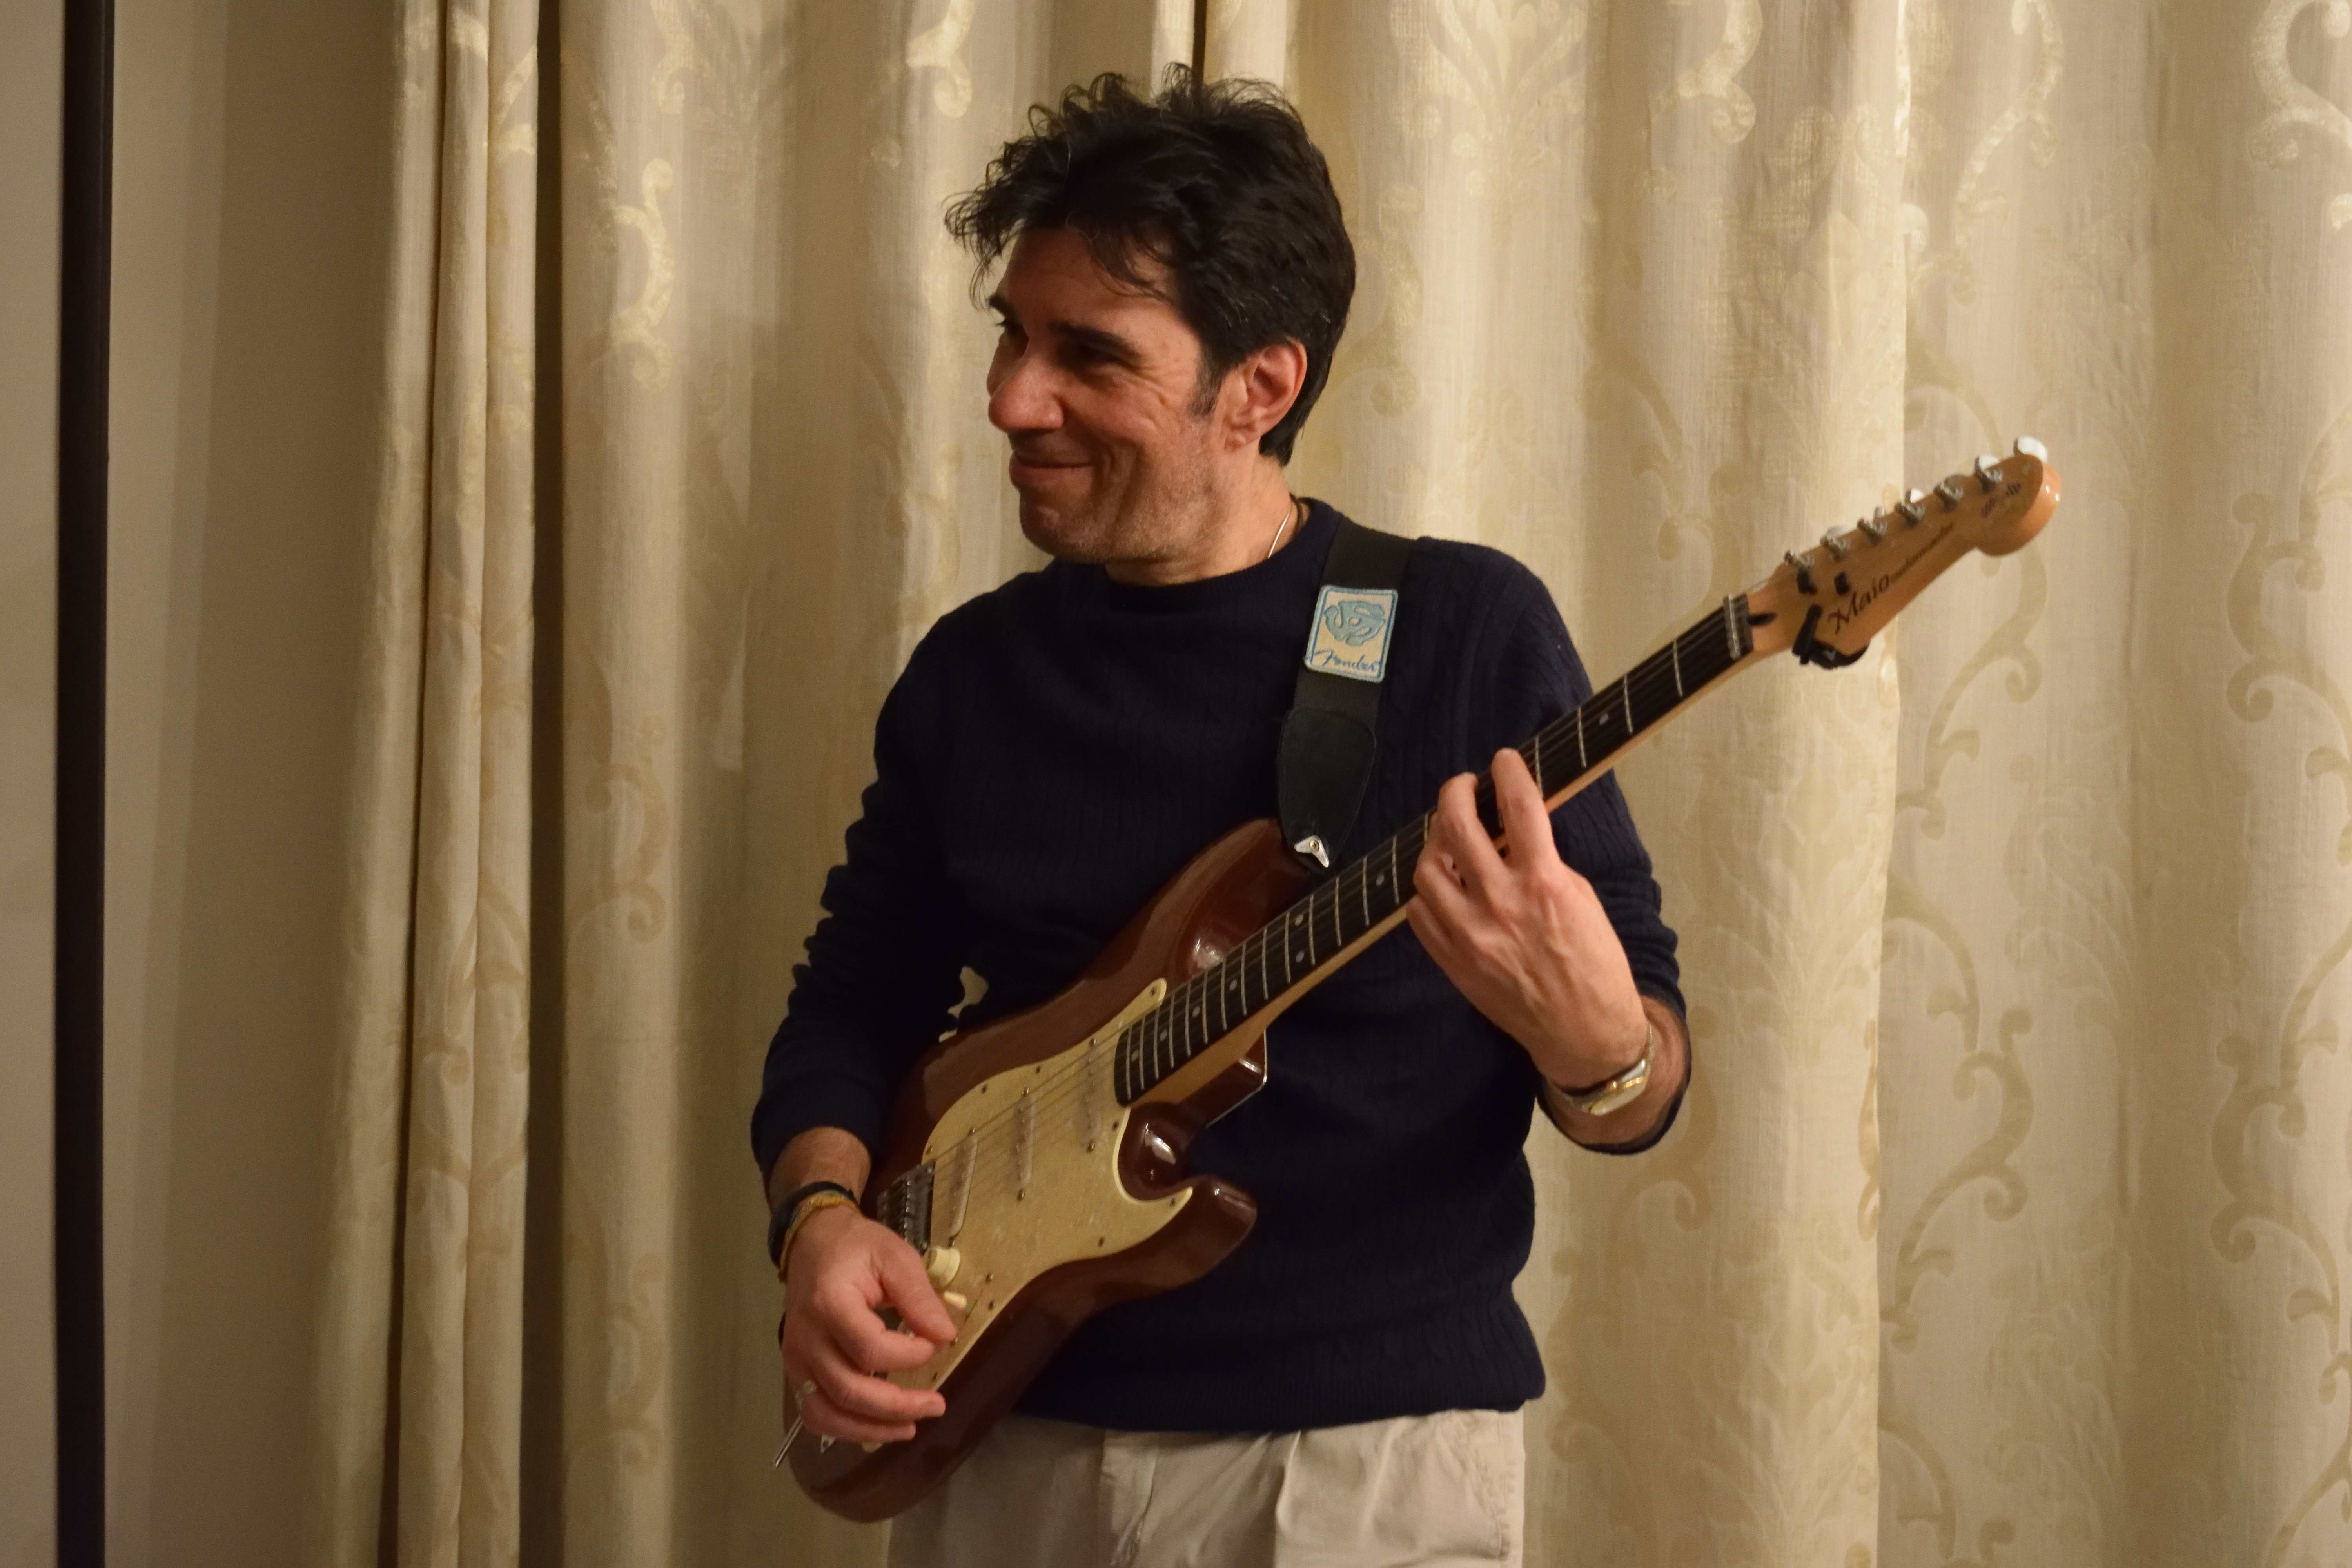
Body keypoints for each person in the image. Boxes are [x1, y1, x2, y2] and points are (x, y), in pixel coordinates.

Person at [756, 68, 1690, 1568]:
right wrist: (820, 1223)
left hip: (1362, 1468)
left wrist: (1599, 1044)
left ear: (1260, 387)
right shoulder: (974, 675)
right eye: (1011, 334)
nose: (1010, 400)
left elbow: (1641, 1090)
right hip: (1005, 1433)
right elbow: (854, 1005)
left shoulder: (1460, 632)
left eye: (1087, 354)